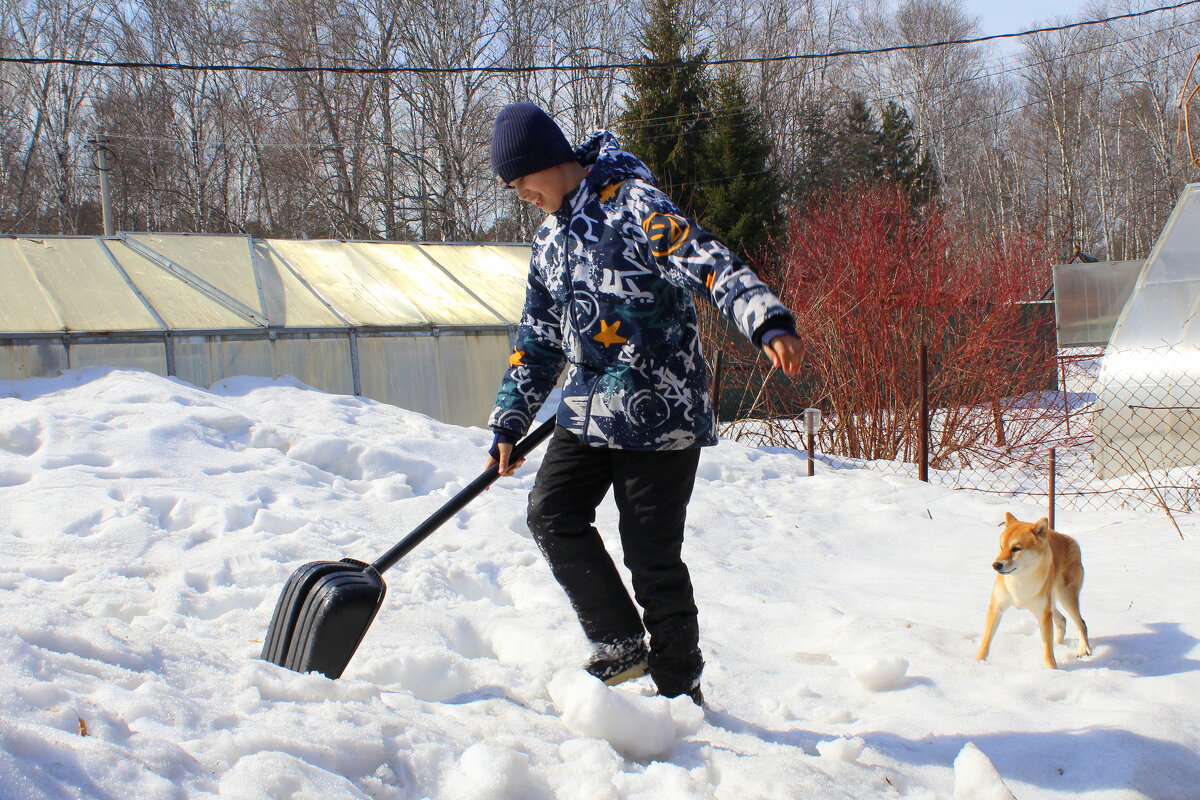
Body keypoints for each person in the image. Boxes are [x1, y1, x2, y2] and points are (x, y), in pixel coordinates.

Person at [484, 102, 803, 706]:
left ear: (549, 162)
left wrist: (765, 318)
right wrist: (509, 420)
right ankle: (620, 644)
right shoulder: (550, 238)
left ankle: (680, 689)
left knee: (651, 555)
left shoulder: (633, 205)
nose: (517, 192)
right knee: (551, 513)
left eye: (520, 178)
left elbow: (706, 259)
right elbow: (536, 337)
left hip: (660, 407)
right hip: (586, 409)